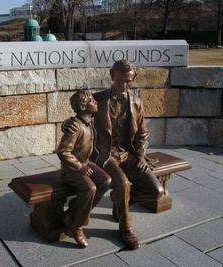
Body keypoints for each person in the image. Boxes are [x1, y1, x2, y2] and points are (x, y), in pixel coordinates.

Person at [63, 60, 164, 250]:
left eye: (129, 81)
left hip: (129, 154)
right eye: (120, 81)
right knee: (123, 183)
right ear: (112, 76)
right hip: (106, 156)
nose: (124, 85)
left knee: (156, 191)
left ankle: (121, 203)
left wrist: (141, 155)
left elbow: (143, 133)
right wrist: (65, 125)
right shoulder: (98, 99)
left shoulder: (137, 102)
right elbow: (79, 118)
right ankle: (125, 228)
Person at [56, 90, 112, 248]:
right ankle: (77, 225)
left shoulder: (90, 120)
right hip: (71, 169)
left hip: (86, 163)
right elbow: (63, 152)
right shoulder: (75, 126)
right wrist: (80, 167)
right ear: (82, 106)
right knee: (90, 188)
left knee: (106, 181)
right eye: (92, 101)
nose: (95, 103)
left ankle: (74, 210)